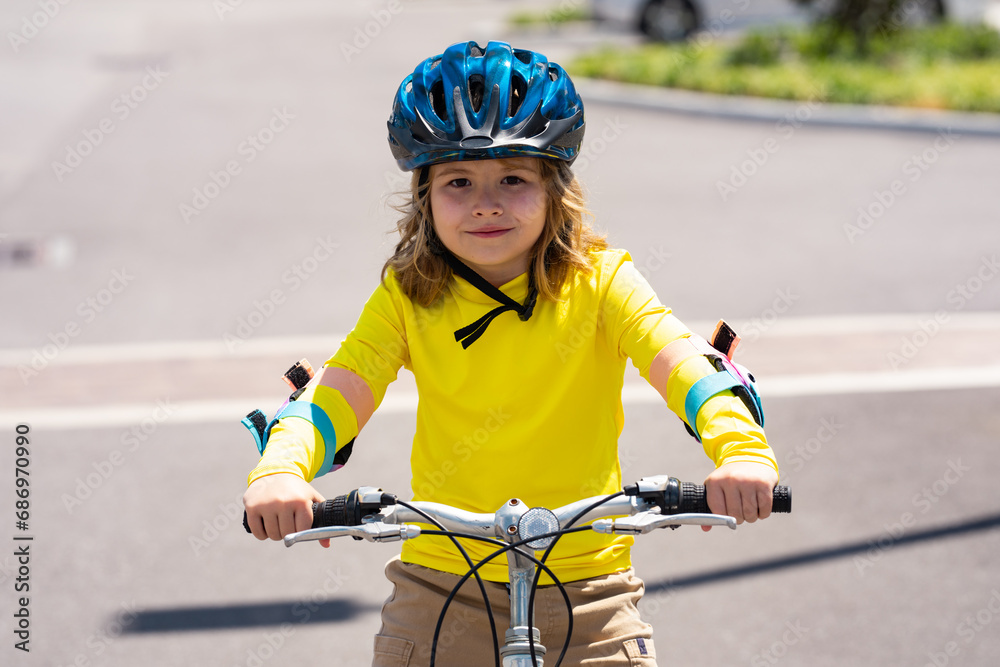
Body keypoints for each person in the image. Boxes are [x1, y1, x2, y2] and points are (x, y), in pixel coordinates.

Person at [243, 40, 779, 667]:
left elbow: (685, 365)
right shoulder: (408, 298)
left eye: (514, 179)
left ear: (556, 192)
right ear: (424, 199)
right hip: (444, 582)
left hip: (588, 587)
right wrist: (281, 471)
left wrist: (742, 453)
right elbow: (338, 392)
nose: (486, 202)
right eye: (458, 181)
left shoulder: (601, 282)